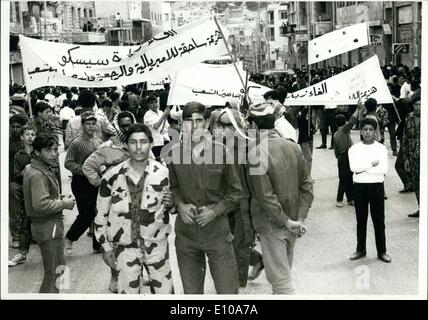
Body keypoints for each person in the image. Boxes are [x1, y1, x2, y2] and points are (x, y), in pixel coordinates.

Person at [166, 101, 242, 294]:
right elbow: (172, 187)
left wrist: (215, 210)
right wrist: (180, 205)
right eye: (189, 121)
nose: (194, 126)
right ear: (182, 124)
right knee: (191, 293)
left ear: (207, 122)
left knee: (228, 291)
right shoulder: (173, 154)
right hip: (187, 235)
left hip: (217, 232)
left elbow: (235, 192)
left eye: (199, 120)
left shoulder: (221, 152)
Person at [95, 123, 175, 294]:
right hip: (125, 248)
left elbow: (173, 209)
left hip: (157, 244)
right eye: (133, 142)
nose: (139, 148)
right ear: (126, 145)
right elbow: (100, 214)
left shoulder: (164, 174)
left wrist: (172, 204)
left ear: (151, 144)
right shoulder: (112, 176)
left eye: (144, 142)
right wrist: (106, 246)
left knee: (165, 293)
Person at [245, 102, 313, 294]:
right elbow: (307, 186)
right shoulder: (293, 147)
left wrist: (286, 221)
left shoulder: (255, 153)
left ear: (254, 126)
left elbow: (265, 197)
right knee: (283, 276)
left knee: (282, 285)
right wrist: (299, 218)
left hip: (272, 224)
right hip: (292, 222)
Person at [23, 133, 76, 293]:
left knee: (60, 269)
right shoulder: (37, 173)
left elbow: (43, 196)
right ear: (37, 152)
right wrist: (63, 204)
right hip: (47, 228)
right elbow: (40, 204)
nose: (54, 153)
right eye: (49, 150)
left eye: (55, 149)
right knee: (53, 273)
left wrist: (58, 197)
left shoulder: (40, 168)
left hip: (51, 227)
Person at [348, 118, 391, 263]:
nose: (367, 132)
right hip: (359, 187)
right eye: (365, 130)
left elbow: (383, 169)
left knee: (379, 220)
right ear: (360, 131)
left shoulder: (381, 148)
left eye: (370, 130)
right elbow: (354, 168)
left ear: (375, 132)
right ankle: (360, 249)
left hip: (376, 186)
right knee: (361, 220)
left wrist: (363, 168)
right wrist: (371, 164)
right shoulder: (354, 149)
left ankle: (382, 251)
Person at [64, 111, 103, 255]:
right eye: (88, 124)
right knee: (86, 215)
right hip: (81, 182)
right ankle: (69, 238)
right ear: (82, 125)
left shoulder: (98, 141)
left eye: (93, 124)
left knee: (99, 212)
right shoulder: (77, 143)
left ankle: (98, 245)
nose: (91, 126)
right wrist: (85, 170)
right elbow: (68, 163)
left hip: (96, 181)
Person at [9, 125, 37, 266]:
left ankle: (54, 254)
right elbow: (15, 176)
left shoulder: (39, 153)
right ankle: (22, 253)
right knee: (25, 223)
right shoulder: (19, 156)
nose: (30, 137)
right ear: (22, 137)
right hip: (27, 193)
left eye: (33, 134)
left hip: (40, 192)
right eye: (27, 134)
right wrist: (25, 171)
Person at [333, 102, 362, 207]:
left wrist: (338, 158)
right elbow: (352, 120)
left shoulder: (335, 134)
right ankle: (339, 199)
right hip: (347, 156)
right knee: (346, 179)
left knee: (347, 178)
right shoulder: (344, 130)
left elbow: (335, 150)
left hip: (341, 157)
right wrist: (358, 109)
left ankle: (350, 199)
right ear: (344, 122)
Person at [9, 114, 28, 248]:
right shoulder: (7, 142)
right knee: (13, 197)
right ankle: (16, 236)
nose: (15, 129)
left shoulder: (30, 140)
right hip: (14, 179)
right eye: (13, 127)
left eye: (18, 127)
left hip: (31, 178)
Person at [401, 93, 421, 218]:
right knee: (416, 183)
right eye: (416, 105)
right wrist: (406, 159)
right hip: (413, 157)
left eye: (421, 105)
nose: (418, 107)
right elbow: (405, 139)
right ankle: (421, 208)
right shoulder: (409, 118)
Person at [144, 95, 170, 161]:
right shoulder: (147, 115)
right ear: (148, 105)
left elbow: (167, 126)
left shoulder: (161, 112)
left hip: (164, 140)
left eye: (155, 102)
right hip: (155, 143)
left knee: (166, 161)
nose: (154, 104)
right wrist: (164, 115)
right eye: (151, 103)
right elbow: (156, 126)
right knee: (157, 162)